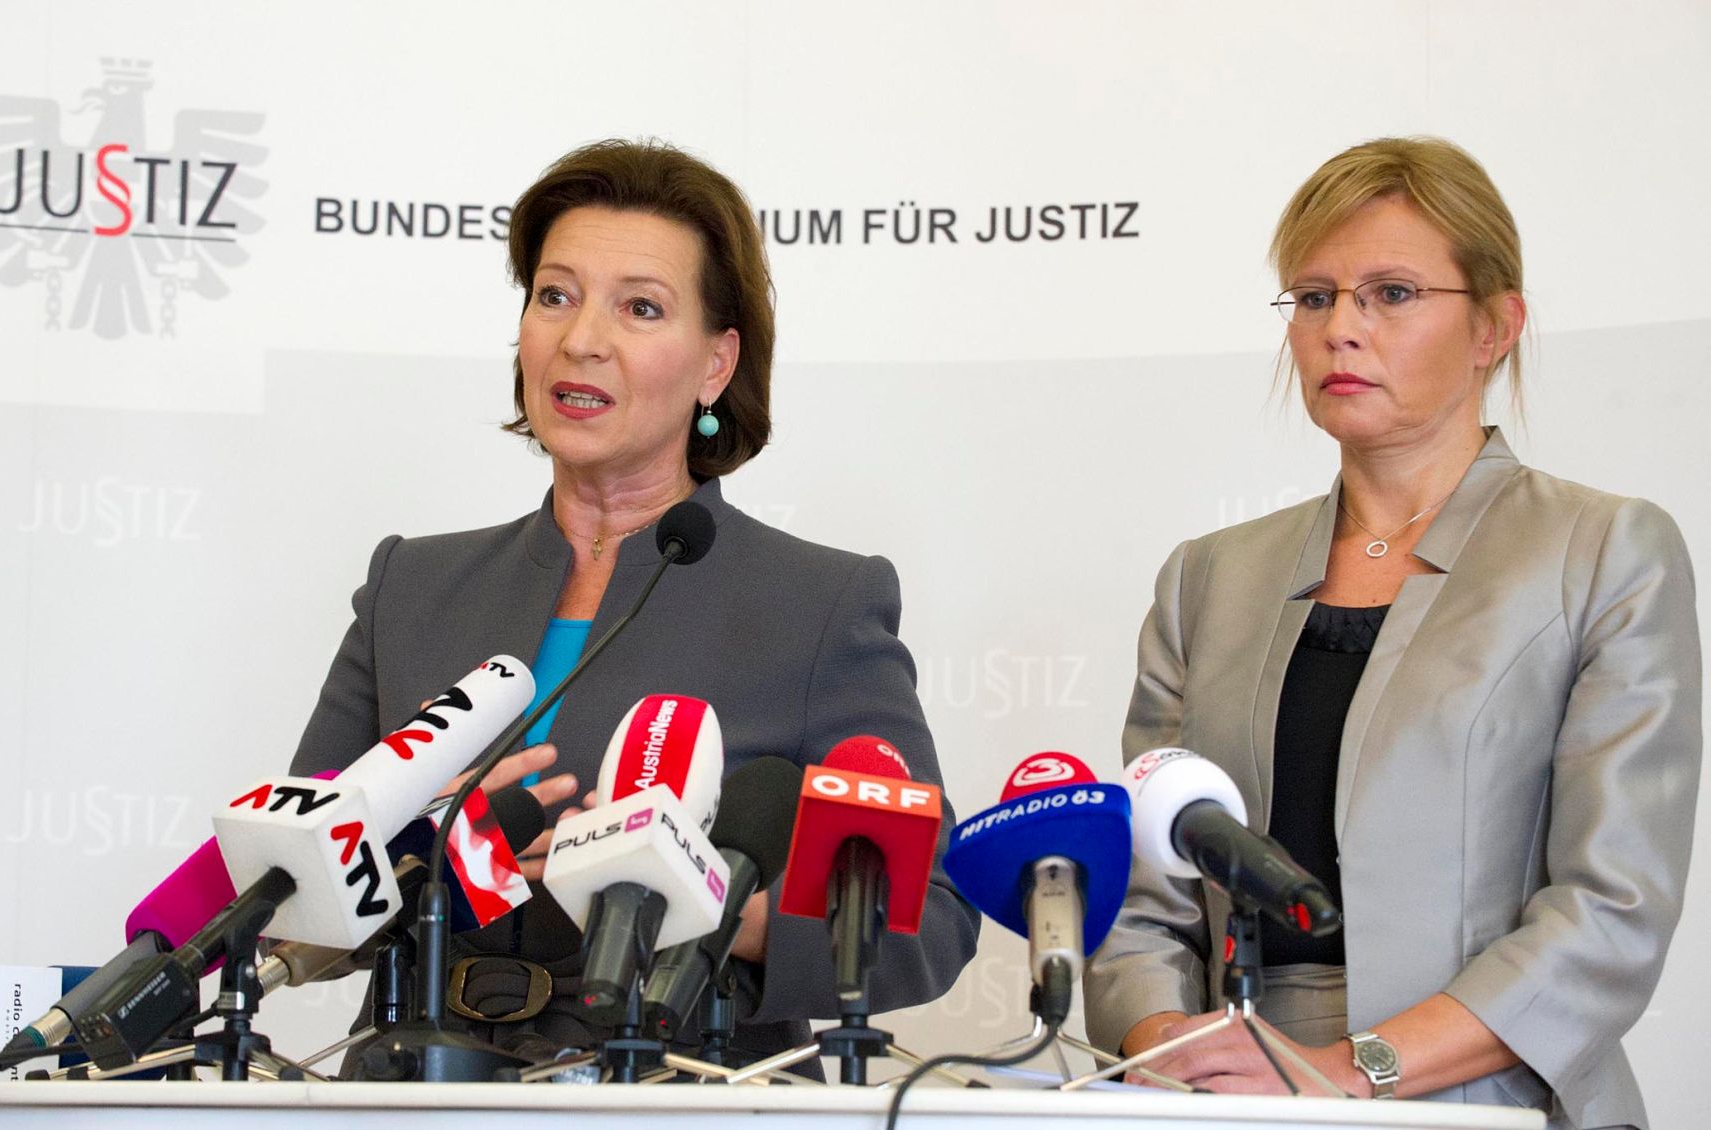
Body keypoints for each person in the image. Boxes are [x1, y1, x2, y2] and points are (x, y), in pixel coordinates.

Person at [290, 138, 978, 1069]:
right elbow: (283, 900)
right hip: (419, 1082)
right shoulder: (411, 585)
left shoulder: (819, 604)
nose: (581, 339)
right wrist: (427, 849)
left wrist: (708, 905)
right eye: (555, 295)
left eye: (641, 308)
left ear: (714, 365)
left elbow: (925, 919)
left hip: (690, 1084)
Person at [1083, 137, 1699, 1129]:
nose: (1341, 329)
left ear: (1496, 325)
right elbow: (1143, 891)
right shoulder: (1205, 577)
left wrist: (1349, 1068)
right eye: (1314, 296)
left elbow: (1609, 909)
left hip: (1497, 1096)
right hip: (1237, 1102)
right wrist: (1171, 1045)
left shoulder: (1603, 549)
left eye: (1391, 293)